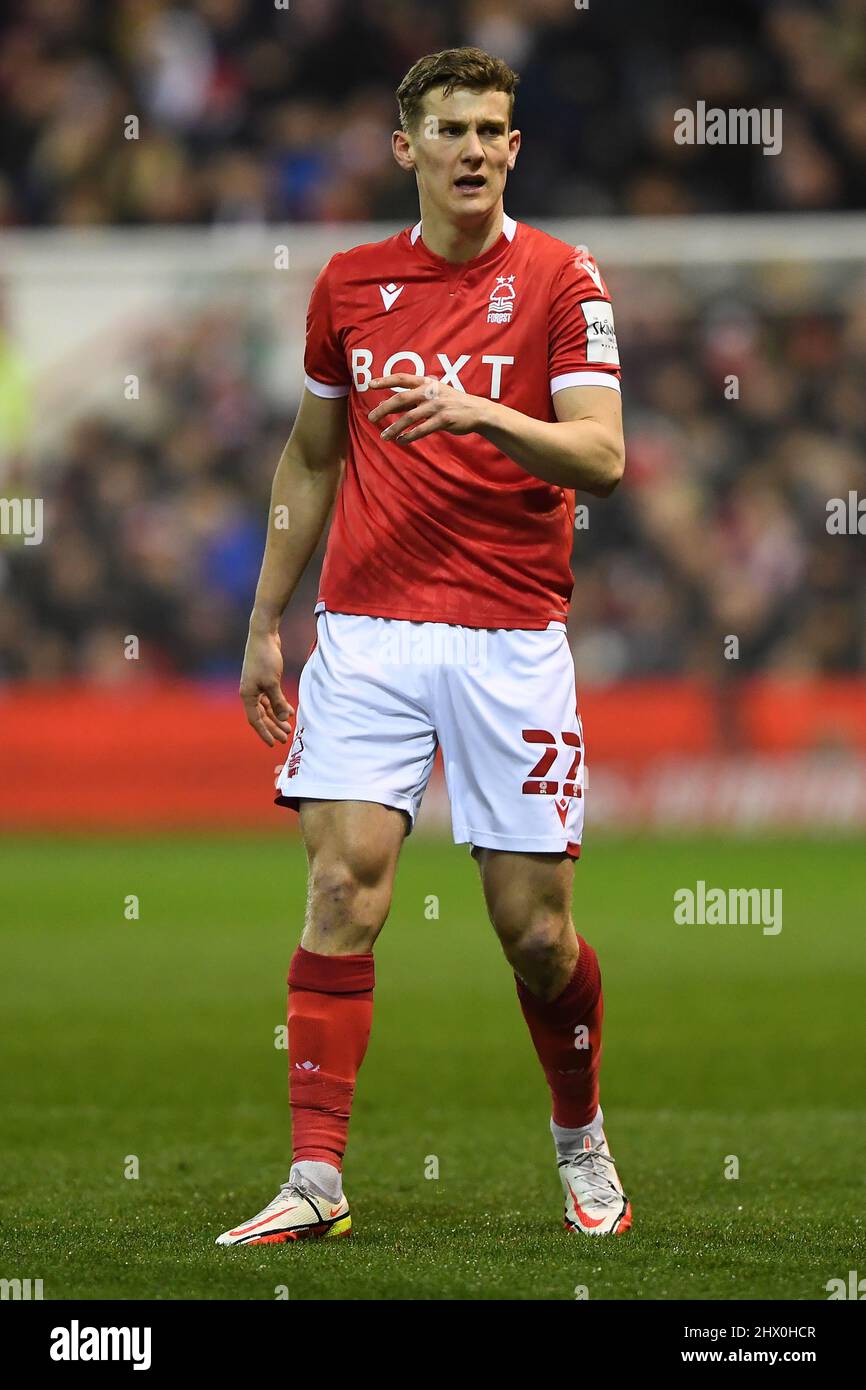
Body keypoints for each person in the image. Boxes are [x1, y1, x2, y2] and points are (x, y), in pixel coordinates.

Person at [217, 46, 630, 1246]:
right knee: (342, 880)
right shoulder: (347, 285)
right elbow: (308, 456)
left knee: (537, 936)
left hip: (511, 638)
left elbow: (599, 456)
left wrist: (478, 413)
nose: (471, 148)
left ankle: (578, 1132)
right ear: (405, 147)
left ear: (513, 146)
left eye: (491, 129)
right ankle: (314, 1177)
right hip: (370, 632)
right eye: (447, 129)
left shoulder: (564, 278)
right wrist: (263, 620)